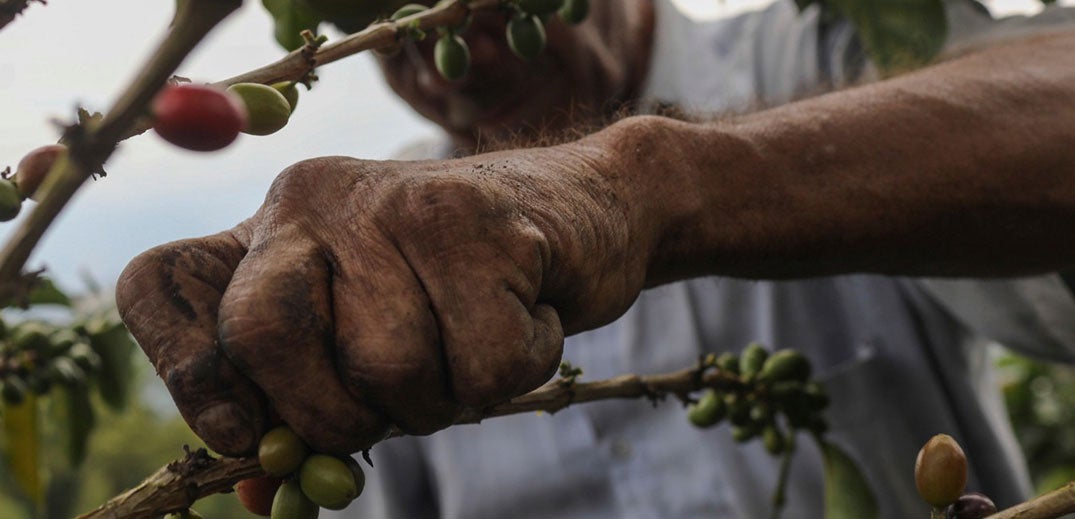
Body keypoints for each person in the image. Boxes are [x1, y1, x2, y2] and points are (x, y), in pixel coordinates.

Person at [115, 0, 1075, 517]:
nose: (457, 74)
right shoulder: (373, 263)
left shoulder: (821, 54)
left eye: (482, 9)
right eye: (396, 45)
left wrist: (650, 184)